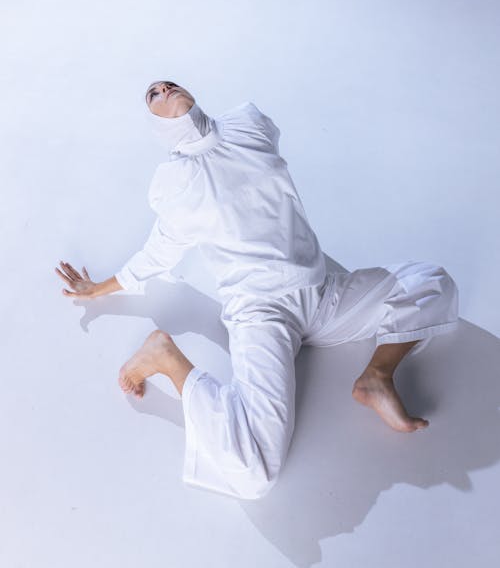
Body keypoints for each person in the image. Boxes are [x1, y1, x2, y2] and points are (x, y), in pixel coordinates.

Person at [55, 80, 459, 500]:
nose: (163, 87)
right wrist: (99, 288)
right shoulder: (175, 184)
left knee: (433, 282)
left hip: (320, 294)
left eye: (168, 83)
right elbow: (158, 253)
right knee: (256, 473)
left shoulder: (249, 123)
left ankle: (377, 376)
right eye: (152, 94)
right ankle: (166, 358)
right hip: (261, 312)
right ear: (156, 127)